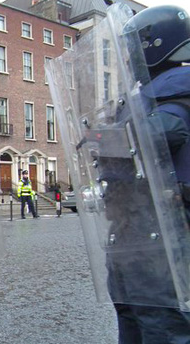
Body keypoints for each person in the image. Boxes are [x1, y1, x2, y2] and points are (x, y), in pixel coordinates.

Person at [110, 5, 190, 342]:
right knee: (130, 309)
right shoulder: (148, 92)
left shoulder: (175, 90)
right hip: (132, 222)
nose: (127, 58)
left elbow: (165, 131)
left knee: (160, 320)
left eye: (131, 48)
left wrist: (109, 137)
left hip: (160, 225)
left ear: (151, 45)